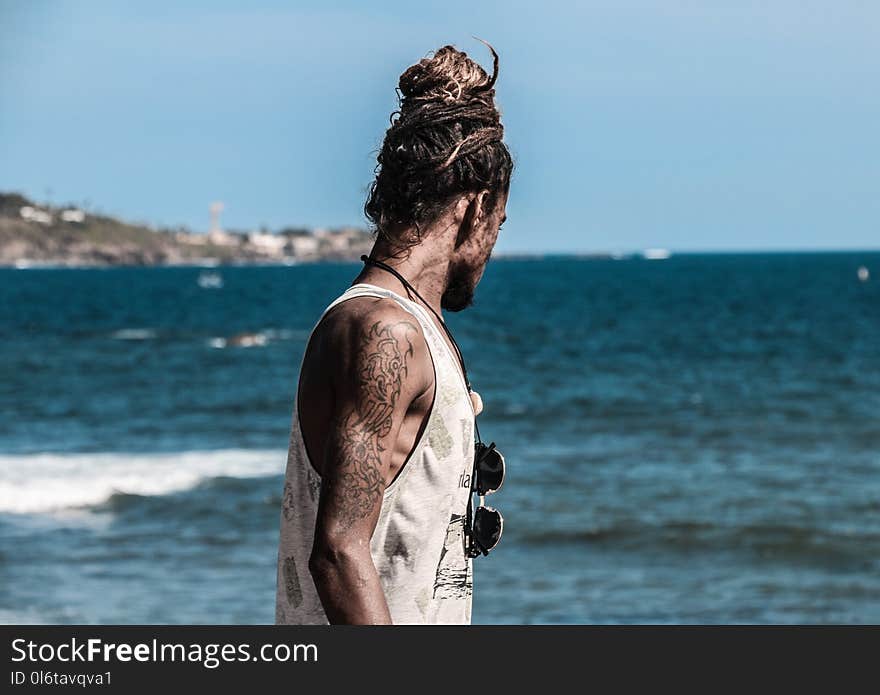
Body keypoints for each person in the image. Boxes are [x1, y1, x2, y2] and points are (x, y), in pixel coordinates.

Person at [275, 42, 512, 625]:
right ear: (477, 207)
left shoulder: (403, 327)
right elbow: (337, 552)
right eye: (499, 225)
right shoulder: (383, 331)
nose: (492, 249)